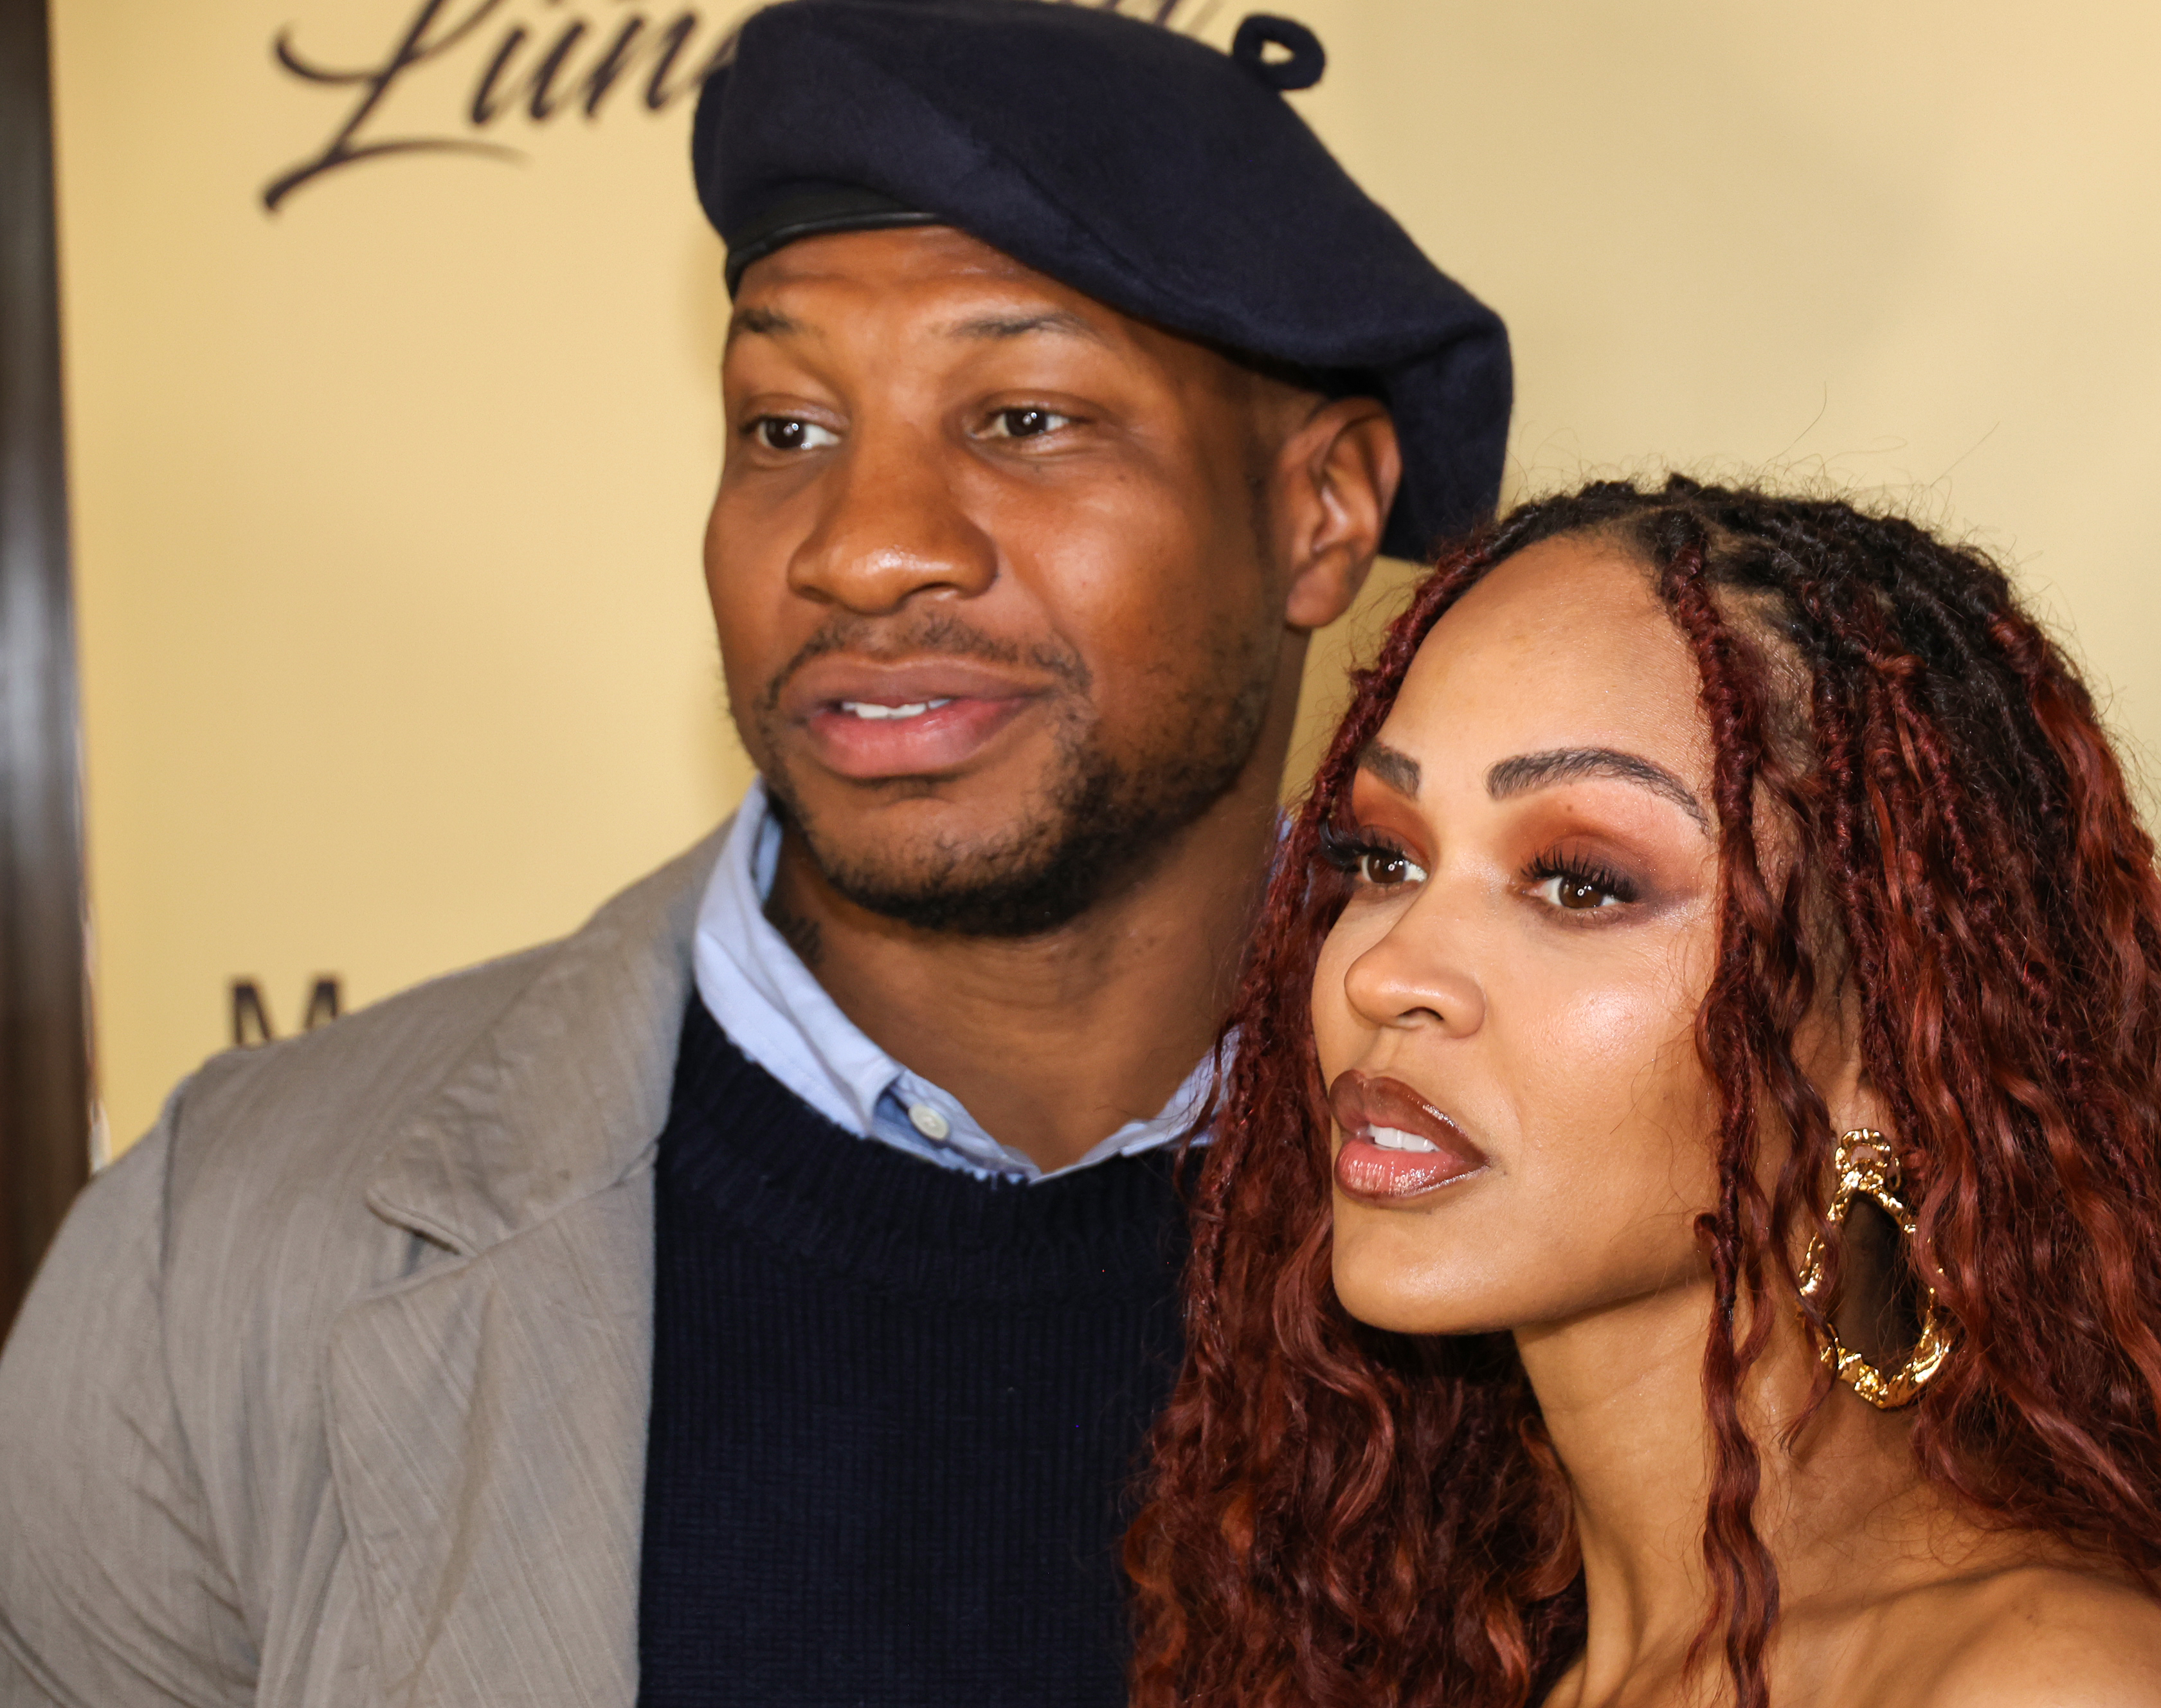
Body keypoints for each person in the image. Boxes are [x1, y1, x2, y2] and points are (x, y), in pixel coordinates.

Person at [0, 5, 1508, 1705]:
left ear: (1321, 515)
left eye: (1023, 417)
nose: (863, 551)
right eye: (786, 428)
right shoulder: (234, 1245)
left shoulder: (1584, 1228)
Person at [1126, 478, 2161, 1708]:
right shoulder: (1424, 1653)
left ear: (1894, 1046)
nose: (1389, 969)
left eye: (1581, 879)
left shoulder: (2042, 1680)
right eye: (1382, 855)